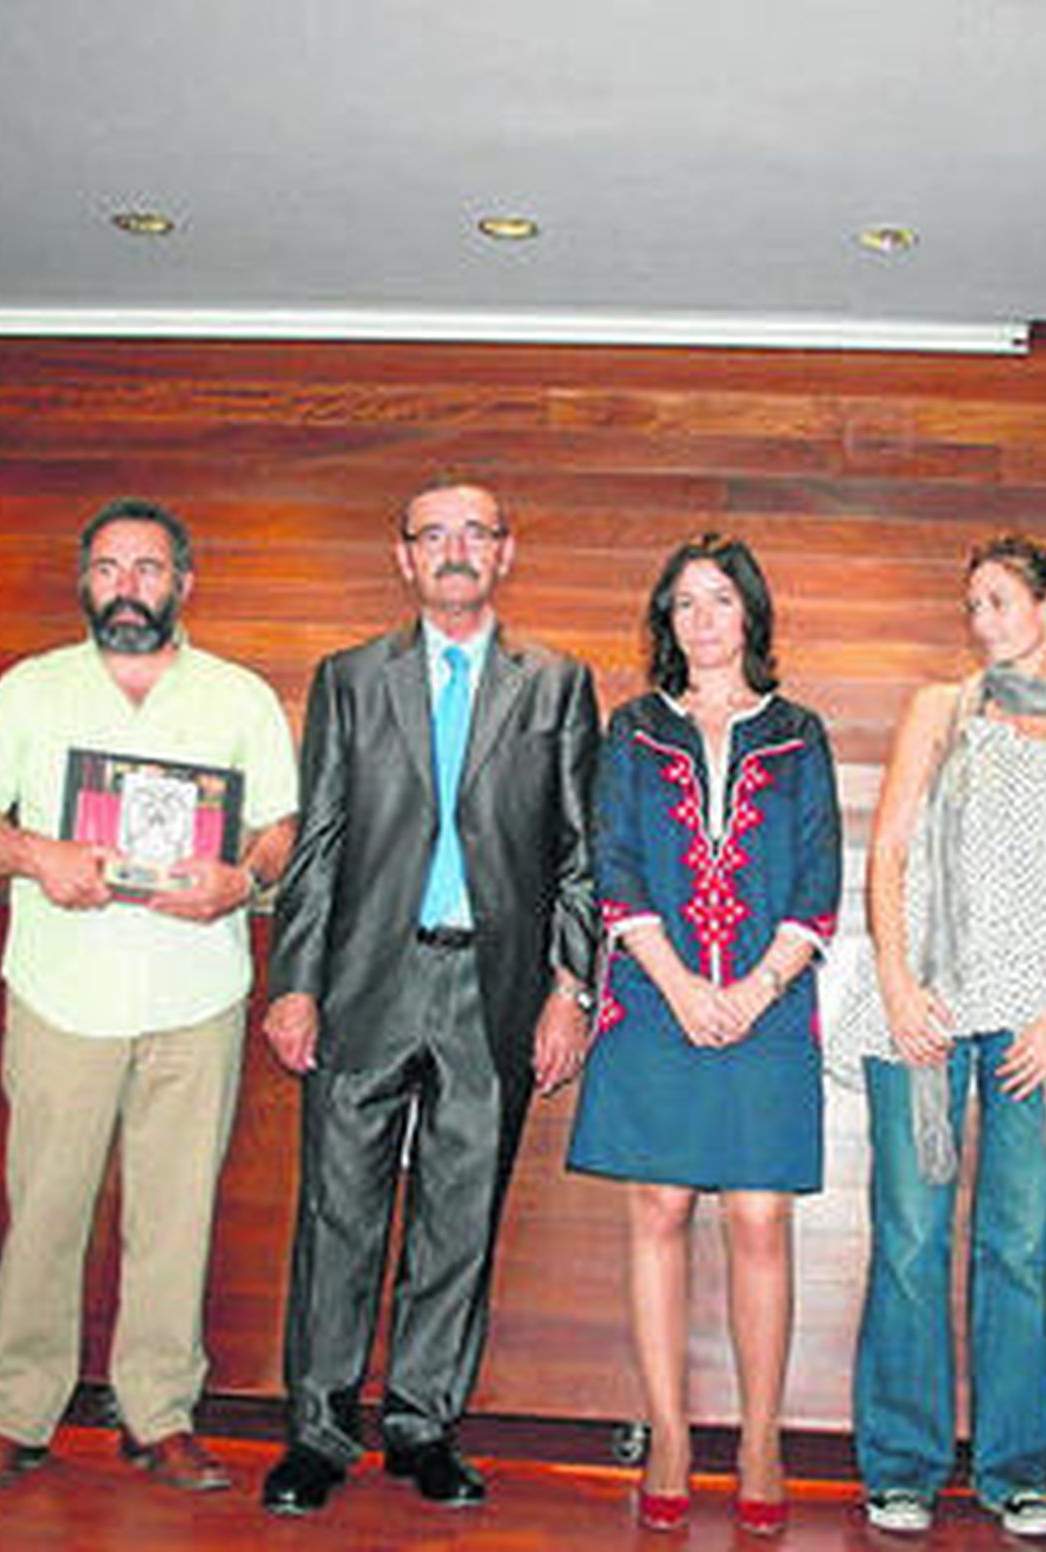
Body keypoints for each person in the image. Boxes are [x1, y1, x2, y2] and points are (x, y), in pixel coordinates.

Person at [0, 497, 297, 1497]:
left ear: (185, 581)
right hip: (63, 990)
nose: (127, 586)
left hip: (198, 992)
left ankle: (161, 1415)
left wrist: (244, 878)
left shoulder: (238, 697)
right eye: (107, 568)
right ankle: (13, 1415)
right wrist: (32, 851)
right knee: (44, 1209)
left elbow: (280, 826)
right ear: (83, 580)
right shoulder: (32, 688)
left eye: (148, 568)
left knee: (176, 1215)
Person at [260, 479, 599, 1515]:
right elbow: (315, 843)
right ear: (403, 556)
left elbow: (581, 853)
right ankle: (317, 1432)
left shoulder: (556, 684)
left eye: (474, 534)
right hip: (366, 976)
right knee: (338, 1212)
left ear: (506, 552)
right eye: (432, 535)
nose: (454, 550)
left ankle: (421, 1424)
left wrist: (568, 987)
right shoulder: (351, 677)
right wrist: (296, 982)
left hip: (491, 990)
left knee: (460, 1216)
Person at [833, 532, 1046, 1539]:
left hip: (1039, 1020)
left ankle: (1014, 1470)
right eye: (972, 606)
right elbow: (889, 852)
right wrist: (896, 980)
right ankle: (903, 1464)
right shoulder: (941, 710)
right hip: (922, 1006)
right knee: (909, 1237)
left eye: (999, 601)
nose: (983, 621)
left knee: (1014, 1246)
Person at [566, 533, 841, 1537]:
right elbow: (616, 864)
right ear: (664, 621)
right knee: (658, 1205)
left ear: (750, 616)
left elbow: (818, 882)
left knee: (762, 1218)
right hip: (655, 998)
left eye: (720, 600)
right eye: (683, 602)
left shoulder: (798, 732)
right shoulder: (632, 728)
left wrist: (756, 988)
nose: (703, 619)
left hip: (771, 1008)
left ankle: (761, 1436)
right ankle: (671, 1431)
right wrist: (682, 985)